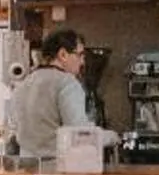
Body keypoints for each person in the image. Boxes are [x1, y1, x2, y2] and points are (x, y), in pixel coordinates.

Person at [8, 29, 94, 162]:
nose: (82, 62)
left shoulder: (23, 83)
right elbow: (78, 132)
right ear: (63, 54)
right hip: (59, 166)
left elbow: (13, 128)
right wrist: (111, 137)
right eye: (80, 55)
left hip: (26, 166)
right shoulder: (67, 83)